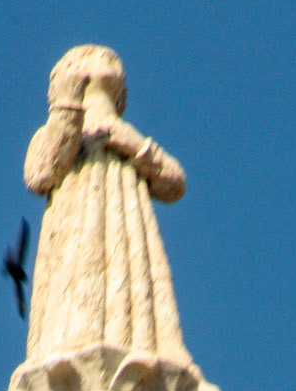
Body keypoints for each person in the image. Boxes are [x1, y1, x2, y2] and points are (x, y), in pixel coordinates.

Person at [23, 45, 188, 363]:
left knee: (129, 286)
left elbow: (175, 183)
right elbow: (39, 173)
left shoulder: (129, 135)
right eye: (87, 58)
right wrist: (67, 109)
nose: (103, 61)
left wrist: (137, 148)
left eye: (110, 59)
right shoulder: (53, 129)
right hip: (76, 220)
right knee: (82, 283)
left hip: (126, 222)